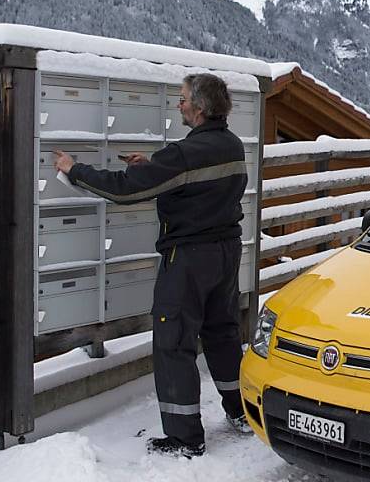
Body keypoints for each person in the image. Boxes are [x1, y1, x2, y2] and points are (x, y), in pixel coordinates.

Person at [53, 73, 251, 458]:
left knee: (174, 340)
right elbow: (190, 181)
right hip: (226, 253)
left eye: (182, 99)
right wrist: (151, 166)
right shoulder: (232, 145)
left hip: (189, 259)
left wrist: (74, 169)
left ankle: (184, 437)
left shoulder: (183, 154)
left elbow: (125, 190)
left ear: (199, 106)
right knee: (223, 334)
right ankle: (241, 411)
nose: (178, 105)